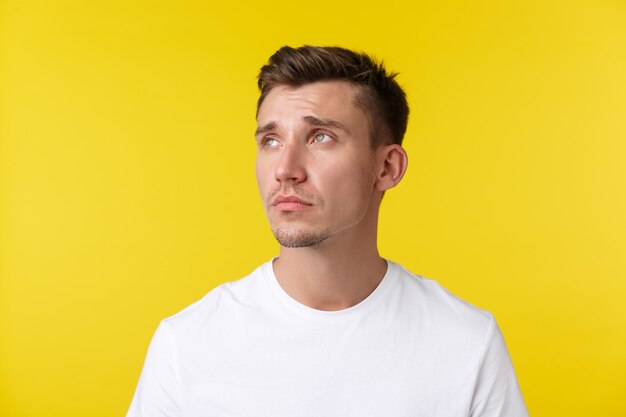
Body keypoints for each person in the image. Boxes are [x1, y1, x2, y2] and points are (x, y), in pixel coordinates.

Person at [127, 45, 529, 417]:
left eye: (321, 137)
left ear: (387, 168)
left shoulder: (466, 343)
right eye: (271, 140)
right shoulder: (187, 343)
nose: (285, 169)